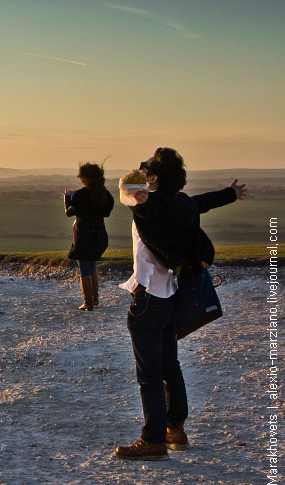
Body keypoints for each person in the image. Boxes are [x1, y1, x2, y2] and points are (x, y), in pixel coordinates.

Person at [114, 147, 247, 460]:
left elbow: (127, 193)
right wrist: (230, 192)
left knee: (148, 374)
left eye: (144, 166)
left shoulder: (149, 205)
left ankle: (153, 440)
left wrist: (137, 194)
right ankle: (176, 430)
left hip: (148, 298)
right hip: (171, 294)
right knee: (169, 365)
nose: (139, 167)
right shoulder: (181, 204)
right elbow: (203, 202)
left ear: (154, 177)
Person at [63, 162, 115, 310]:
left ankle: (88, 302)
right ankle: (95, 298)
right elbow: (106, 212)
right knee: (92, 265)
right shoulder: (105, 195)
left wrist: (67, 199)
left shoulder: (80, 195)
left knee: (84, 268)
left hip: (83, 236)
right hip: (99, 236)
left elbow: (69, 212)